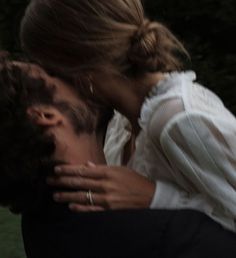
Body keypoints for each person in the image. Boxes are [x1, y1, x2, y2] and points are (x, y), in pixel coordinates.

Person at [20, 0, 236, 232]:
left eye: (51, 73)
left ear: (80, 69)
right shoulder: (121, 126)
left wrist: (156, 197)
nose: (51, 90)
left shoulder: (182, 119)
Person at [2, 56, 236, 258]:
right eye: (54, 76)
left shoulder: (38, 228)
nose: (74, 77)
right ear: (45, 115)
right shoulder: (172, 237)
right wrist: (162, 197)